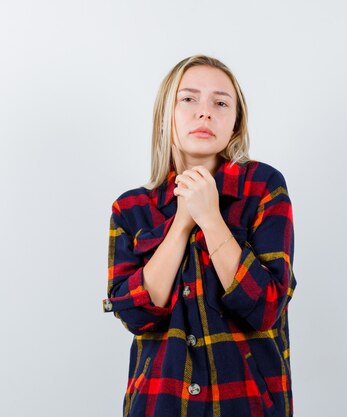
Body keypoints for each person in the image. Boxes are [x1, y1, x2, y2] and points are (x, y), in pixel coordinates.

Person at [102, 54, 298, 417]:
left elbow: (267, 306)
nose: (205, 112)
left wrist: (211, 217)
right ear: (166, 115)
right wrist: (182, 223)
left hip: (248, 404)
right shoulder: (130, 209)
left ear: (236, 124)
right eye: (189, 98)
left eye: (220, 103)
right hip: (160, 404)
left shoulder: (264, 187)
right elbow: (136, 315)